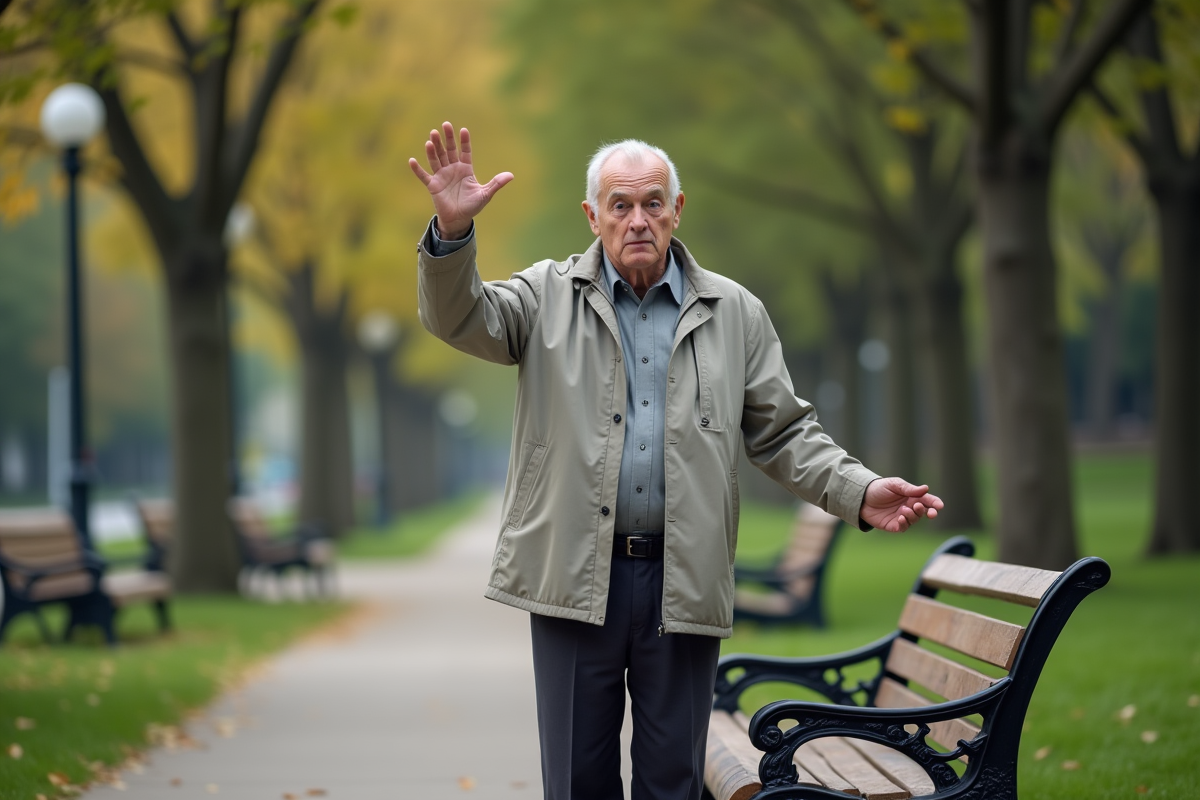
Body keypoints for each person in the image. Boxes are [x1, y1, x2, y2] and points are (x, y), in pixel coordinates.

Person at [409, 122, 943, 800]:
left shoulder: (735, 313)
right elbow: (459, 317)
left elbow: (782, 433)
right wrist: (451, 237)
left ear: (677, 210)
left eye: (653, 203)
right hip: (574, 580)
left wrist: (859, 491)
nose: (638, 219)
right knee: (577, 781)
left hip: (682, 581)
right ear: (592, 216)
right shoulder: (545, 297)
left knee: (674, 783)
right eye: (621, 205)